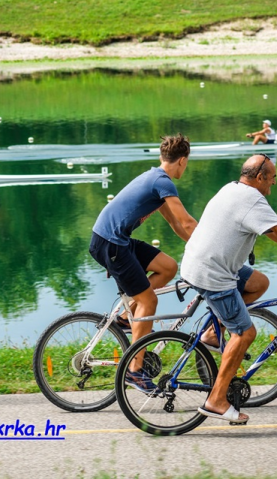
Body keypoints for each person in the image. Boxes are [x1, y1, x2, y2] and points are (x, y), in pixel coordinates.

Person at [180, 154, 277, 423]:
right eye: (273, 178)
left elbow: (273, 232)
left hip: (202, 263)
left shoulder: (232, 188)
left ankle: (211, 333)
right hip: (213, 274)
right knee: (244, 333)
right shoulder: (252, 199)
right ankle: (216, 400)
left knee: (258, 283)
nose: (274, 183)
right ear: (260, 177)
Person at [88, 134, 197, 391]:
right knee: (150, 300)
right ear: (182, 161)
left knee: (168, 267)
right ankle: (134, 371)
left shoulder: (154, 178)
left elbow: (176, 224)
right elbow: (188, 221)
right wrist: (213, 246)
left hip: (117, 241)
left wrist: (194, 245)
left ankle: (127, 317)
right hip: (110, 244)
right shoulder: (162, 182)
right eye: (187, 162)